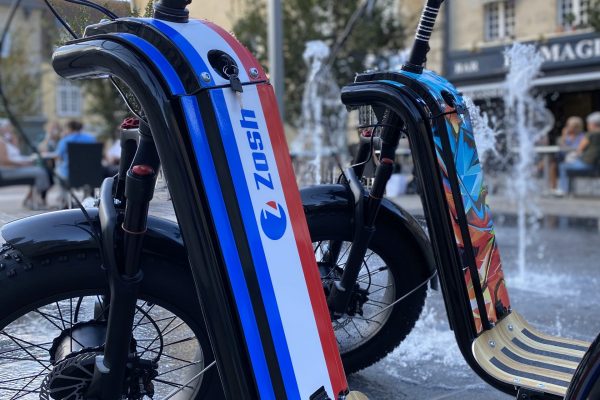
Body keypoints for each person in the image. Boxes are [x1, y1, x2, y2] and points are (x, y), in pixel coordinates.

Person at [0, 120, 50, 209]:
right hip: (8, 170)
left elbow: (16, 155)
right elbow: (4, 161)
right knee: (40, 172)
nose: (10, 129)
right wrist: (22, 164)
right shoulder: (1, 142)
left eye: (10, 127)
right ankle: (39, 199)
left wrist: (13, 141)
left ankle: (33, 199)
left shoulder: (8, 140)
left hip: (15, 167)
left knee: (39, 170)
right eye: (8, 127)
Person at [557, 112, 600, 195]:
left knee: (563, 166)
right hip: (596, 164)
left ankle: (564, 190)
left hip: (587, 163)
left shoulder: (590, 135)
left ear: (593, 124)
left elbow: (579, 149)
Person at [549, 116, 586, 190]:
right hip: (564, 156)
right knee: (552, 163)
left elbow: (578, 149)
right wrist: (564, 136)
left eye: (571, 126)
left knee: (559, 164)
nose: (568, 128)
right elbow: (561, 147)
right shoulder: (565, 136)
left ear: (577, 127)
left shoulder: (582, 136)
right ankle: (553, 188)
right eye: (568, 125)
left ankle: (563, 189)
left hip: (575, 157)